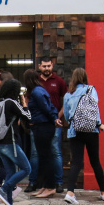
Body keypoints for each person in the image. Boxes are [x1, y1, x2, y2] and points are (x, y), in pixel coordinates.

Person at [62, 68, 104, 204]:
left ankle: (70, 193)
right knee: (95, 161)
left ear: (73, 78)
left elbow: (66, 115)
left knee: (76, 162)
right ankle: (103, 193)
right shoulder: (91, 90)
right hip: (91, 130)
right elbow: (95, 109)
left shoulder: (68, 94)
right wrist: (98, 124)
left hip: (75, 131)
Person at [0, 76, 34, 205]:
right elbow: (28, 117)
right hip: (10, 143)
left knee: (10, 172)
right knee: (26, 169)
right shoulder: (11, 103)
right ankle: (3, 189)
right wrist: (24, 102)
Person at [26, 70, 61, 198]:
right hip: (43, 126)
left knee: (46, 157)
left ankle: (50, 187)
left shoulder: (36, 92)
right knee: (44, 157)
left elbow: (46, 107)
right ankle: (46, 186)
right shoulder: (39, 90)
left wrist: (53, 118)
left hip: (43, 127)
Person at [37, 57, 68, 193]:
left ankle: (58, 183)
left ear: (52, 65)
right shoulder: (36, 81)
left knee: (55, 152)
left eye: (49, 66)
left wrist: (58, 117)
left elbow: (66, 101)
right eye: (44, 66)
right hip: (39, 123)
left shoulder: (59, 81)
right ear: (39, 66)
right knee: (38, 153)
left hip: (54, 123)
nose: (47, 69)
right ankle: (38, 183)